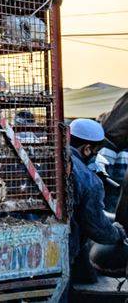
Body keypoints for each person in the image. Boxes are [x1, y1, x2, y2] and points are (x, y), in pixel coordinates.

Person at [68, 118, 127, 284]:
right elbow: (97, 228)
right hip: (61, 249)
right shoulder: (89, 180)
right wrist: (117, 233)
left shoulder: (49, 159)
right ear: (87, 149)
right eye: (96, 150)